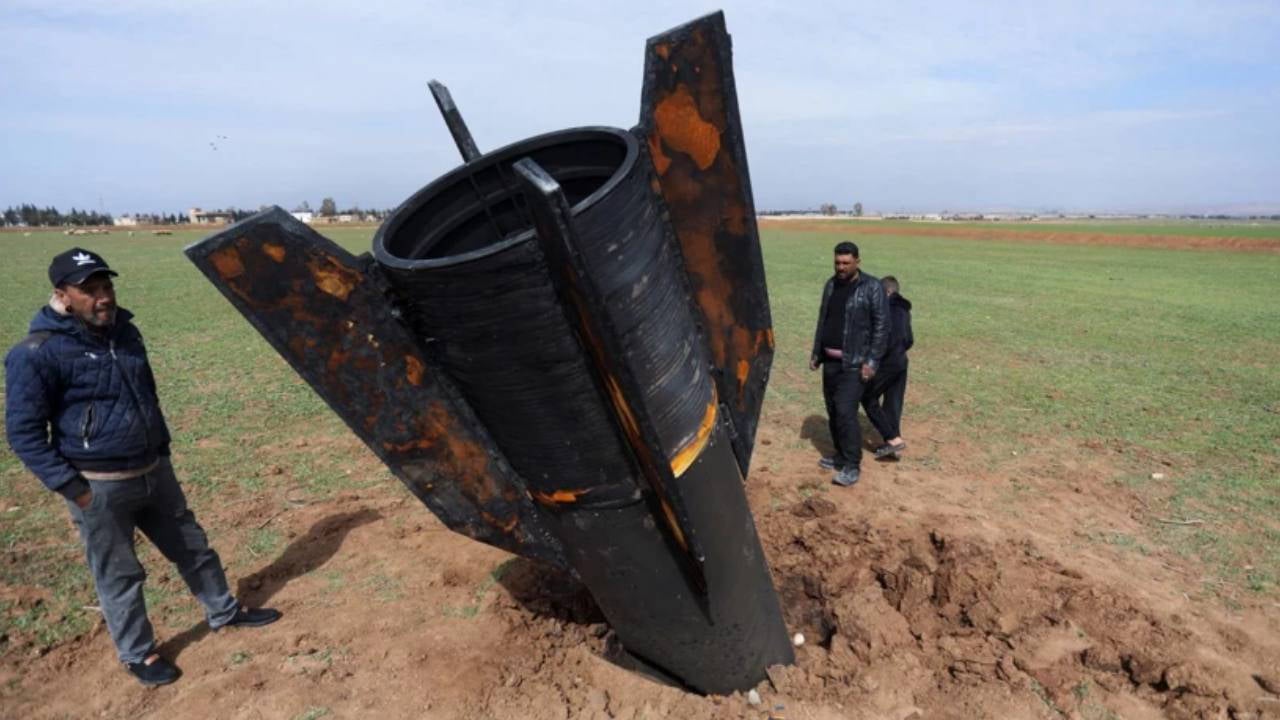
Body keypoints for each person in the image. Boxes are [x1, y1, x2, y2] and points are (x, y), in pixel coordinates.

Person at [4, 248, 282, 687]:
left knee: (193, 547)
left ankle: (224, 611)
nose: (102, 297)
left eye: (106, 286)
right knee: (120, 574)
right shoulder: (37, 353)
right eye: (89, 290)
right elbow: (23, 433)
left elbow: (146, 396)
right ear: (62, 295)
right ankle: (138, 653)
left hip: (154, 470)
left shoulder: (125, 334)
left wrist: (163, 450)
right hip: (98, 486)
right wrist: (74, 489)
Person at [809, 241, 889, 487]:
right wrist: (816, 352)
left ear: (857, 262)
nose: (840, 267)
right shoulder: (831, 285)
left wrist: (872, 360)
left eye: (846, 263)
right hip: (831, 362)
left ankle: (852, 465)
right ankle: (840, 455)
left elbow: (881, 327)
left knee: (845, 412)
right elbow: (824, 319)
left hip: (855, 363)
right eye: (837, 262)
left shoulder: (872, 287)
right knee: (833, 411)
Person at [862, 275, 913, 459]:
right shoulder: (904, 310)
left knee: (866, 397)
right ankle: (894, 447)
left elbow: (880, 340)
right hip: (901, 362)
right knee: (893, 402)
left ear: (888, 292)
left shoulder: (884, 310)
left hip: (887, 362)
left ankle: (893, 439)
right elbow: (909, 340)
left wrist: (873, 362)